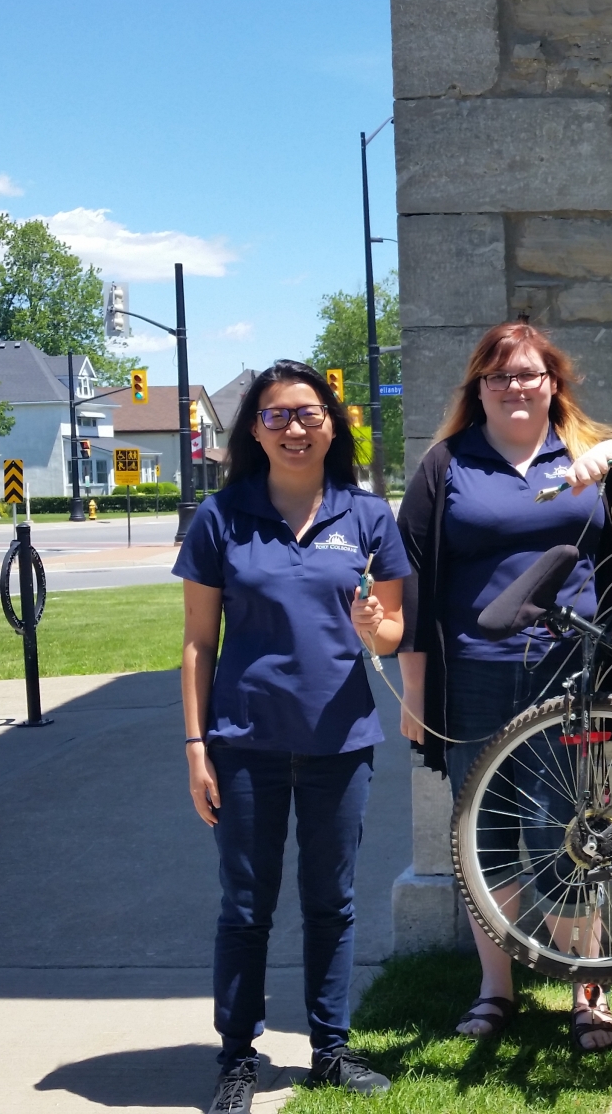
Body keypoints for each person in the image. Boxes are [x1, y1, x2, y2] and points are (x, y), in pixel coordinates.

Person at [396, 321, 612, 1052]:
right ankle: (496, 988)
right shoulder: (448, 465)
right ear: (477, 388)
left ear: (554, 384)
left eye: (529, 374)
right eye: (499, 375)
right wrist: (416, 690)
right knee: (488, 835)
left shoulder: (581, 455)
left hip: (569, 676)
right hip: (473, 676)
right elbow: (412, 580)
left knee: (572, 832)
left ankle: (586, 990)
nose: (515, 386)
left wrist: (609, 451)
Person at [175, 360, 410, 1114]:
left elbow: (395, 629)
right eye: (276, 416)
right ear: (254, 430)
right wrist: (196, 747)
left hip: (340, 746)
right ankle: (237, 1057)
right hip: (244, 743)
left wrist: (379, 628)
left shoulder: (367, 516)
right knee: (246, 905)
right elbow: (196, 643)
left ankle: (330, 1049)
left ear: (333, 424)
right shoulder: (222, 517)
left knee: (330, 901)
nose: (294, 428)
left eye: (307, 414)